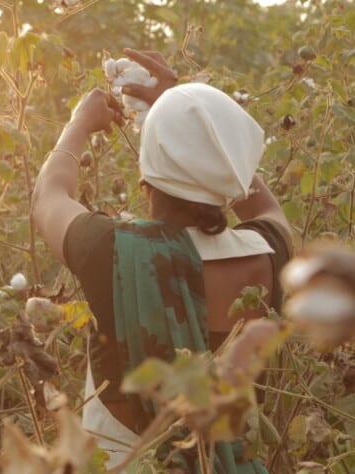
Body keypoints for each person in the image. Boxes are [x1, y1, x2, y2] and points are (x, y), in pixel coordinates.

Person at [31, 49, 293, 472]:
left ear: (146, 174)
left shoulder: (114, 252)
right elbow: (264, 206)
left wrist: (79, 123)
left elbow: (47, 197)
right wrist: (191, 114)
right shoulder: (268, 253)